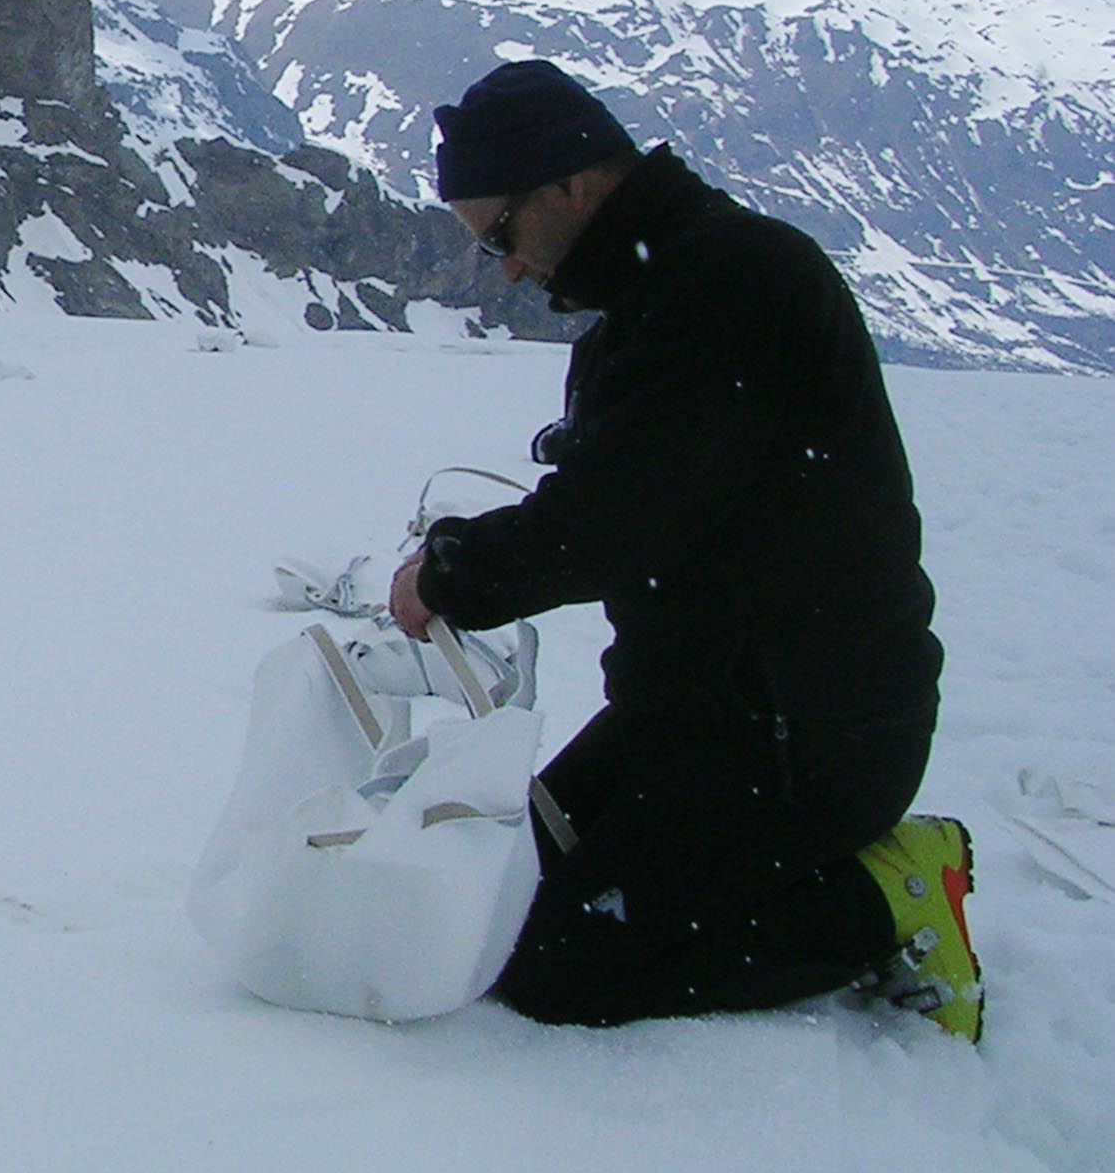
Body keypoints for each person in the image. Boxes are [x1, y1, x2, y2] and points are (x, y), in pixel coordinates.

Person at [386, 59, 983, 1040]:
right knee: (496, 882)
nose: (507, 268)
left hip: (807, 737)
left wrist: (455, 572)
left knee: (550, 973)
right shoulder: (662, 297)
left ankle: (891, 895)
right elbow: (633, 494)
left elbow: (615, 520)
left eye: (502, 235)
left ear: (571, 184)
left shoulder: (730, 285)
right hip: (695, 712)